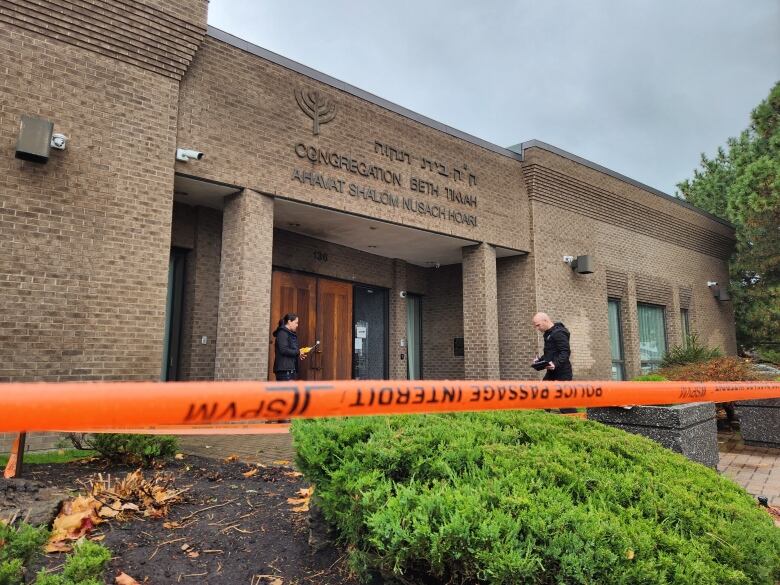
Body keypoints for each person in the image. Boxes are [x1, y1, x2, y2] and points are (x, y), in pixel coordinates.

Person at [531, 312, 575, 413]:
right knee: (543, 394)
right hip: (552, 372)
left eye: (538, 325)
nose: (537, 328)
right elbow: (550, 354)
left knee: (564, 401)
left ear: (545, 320)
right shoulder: (548, 333)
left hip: (562, 372)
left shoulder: (559, 333)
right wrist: (539, 361)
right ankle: (543, 418)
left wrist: (555, 363)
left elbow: (565, 352)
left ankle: (577, 421)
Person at [272, 313, 307, 381]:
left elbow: (290, 350)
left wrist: (298, 354)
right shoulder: (282, 333)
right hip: (285, 372)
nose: (297, 325)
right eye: (296, 323)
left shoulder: (288, 333)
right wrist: (298, 352)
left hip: (289, 371)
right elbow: (284, 350)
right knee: (286, 392)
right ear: (289, 322)